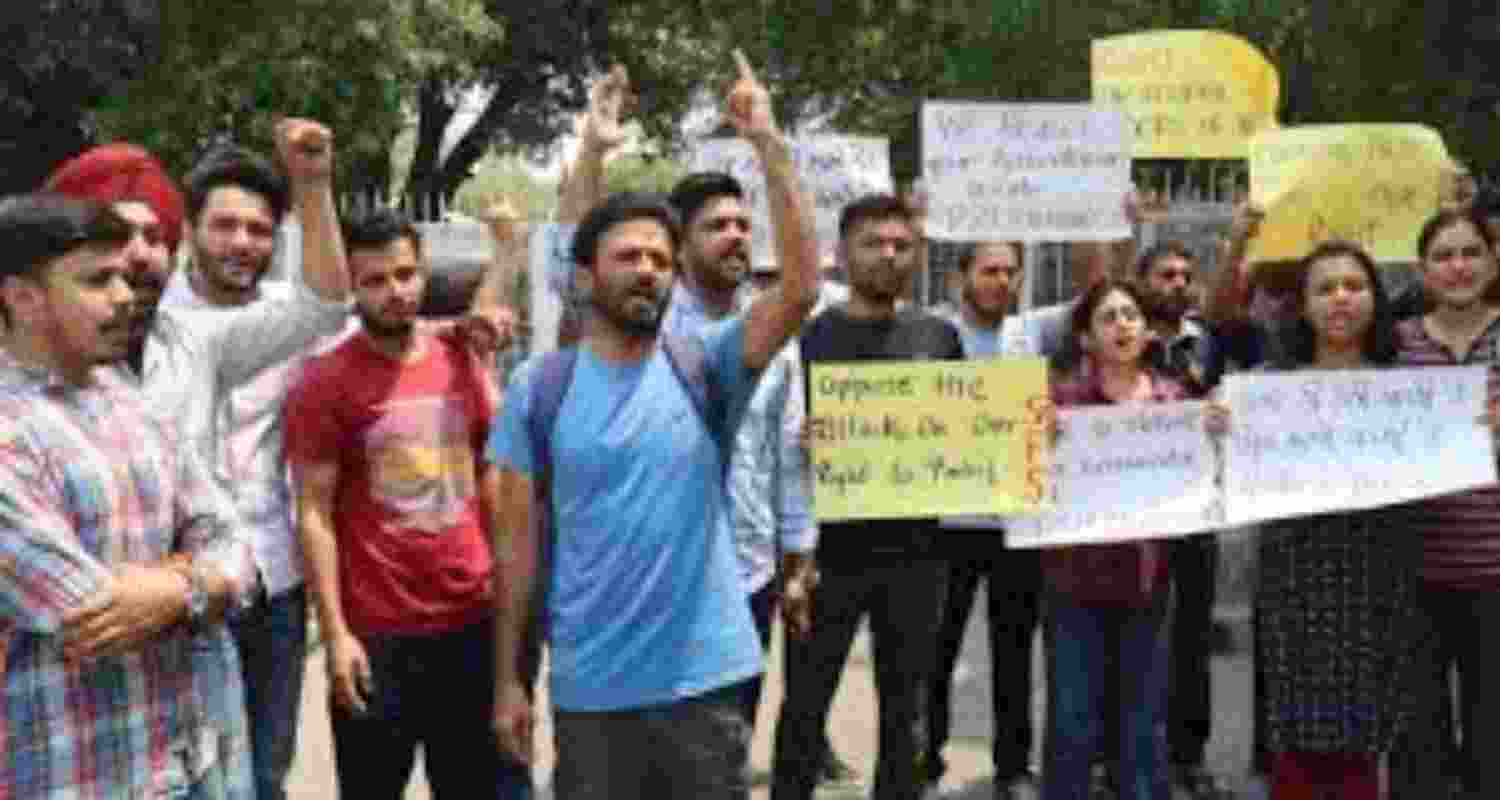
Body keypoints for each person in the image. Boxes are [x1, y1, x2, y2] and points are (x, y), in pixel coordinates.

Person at [488, 51, 818, 800]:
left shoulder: (709, 362)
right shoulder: (539, 389)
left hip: (705, 687)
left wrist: (767, 142)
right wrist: (509, 681)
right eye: (627, 255)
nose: (647, 269)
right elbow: (514, 550)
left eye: (660, 259)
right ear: (587, 277)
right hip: (591, 691)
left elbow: (798, 290)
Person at [44, 119, 354, 800]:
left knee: (239, 778)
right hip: (75, 653)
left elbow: (328, 306)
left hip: (238, 599)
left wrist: (311, 182)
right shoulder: (28, 387)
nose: (136, 257)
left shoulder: (194, 345)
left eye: (153, 237)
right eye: (114, 239)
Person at [0, 194, 258, 799]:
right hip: (70, 774)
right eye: (97, 280)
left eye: (123, 276)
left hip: (181, 762)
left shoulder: (125, 394)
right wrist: (199, 584)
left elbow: (233, 539)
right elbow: (89, 613)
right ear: (22, 298)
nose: (124, 295)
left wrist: (174, 586)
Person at [286, 209, 528, 798]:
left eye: (405, 274)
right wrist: (337, 633)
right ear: (352, 286)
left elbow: (492, 479)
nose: (395, 292)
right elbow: (313, 513)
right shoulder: (324, 382)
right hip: (378, 638)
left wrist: (507, 607)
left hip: (469, 625)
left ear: (422, 272)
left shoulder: (462, 356)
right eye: (374, 281)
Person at [773, 193, 963, 800]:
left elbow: (967, 433)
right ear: (842, 253)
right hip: (828, 553)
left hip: (918, 552)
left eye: (901, 245)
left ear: (918, 254)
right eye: (873, 244)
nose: (888, 255)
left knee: (905, 711)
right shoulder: (807, 339)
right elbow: (775, 438)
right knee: (805, 703)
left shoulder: (939, 337)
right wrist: (798, 439)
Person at [1224, 240, 1421, 799]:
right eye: (1325, 288)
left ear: (1376, 301)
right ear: (1303, 305)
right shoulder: (1267, 385)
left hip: (1377, 573)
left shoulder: (1409, 384)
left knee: (1365, 734)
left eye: (1355, 287)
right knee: (1295, 735)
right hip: (1295, 574)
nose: (1341, 299)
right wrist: (1220, 425)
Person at [1043, 279, 1182, 800]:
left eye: (1131, 315)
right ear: (1085, 338)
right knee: (1072, 717)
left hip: (1147, 584)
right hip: (1073, 584)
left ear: (1147, 331)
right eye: (1108, 317)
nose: (1122, 325)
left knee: (1143, 716)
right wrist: (1036, 437)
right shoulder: (1060, 402)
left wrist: (1214, 428)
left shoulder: (1176, 401)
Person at [925, 240, 1043, 800]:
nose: (1000, 281)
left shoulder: (1033, 337)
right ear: (960, 278)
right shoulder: (931, 335)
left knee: (1014, 651)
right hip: (944, 524)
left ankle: (1013, 768)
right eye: (989, 271)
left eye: (1009, 272)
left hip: (1015, 522)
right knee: (935, 652)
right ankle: (924, 761)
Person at [1389, 207, 1500, 799]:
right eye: (1443, 256)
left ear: (1492, 259)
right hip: (1414, 573)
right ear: (1422, 270)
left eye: (1471, 253)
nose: (1459, 267)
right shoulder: (1395, 346)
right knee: (1418, 745)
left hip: (1495, 572)